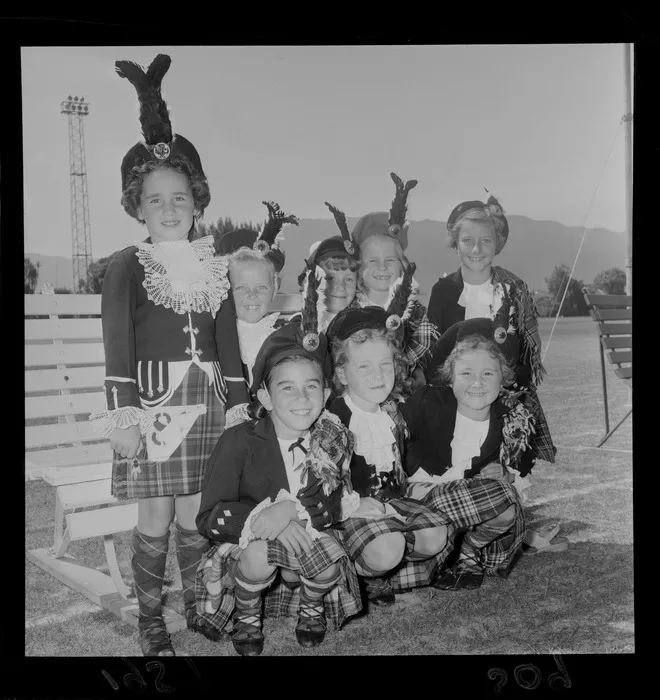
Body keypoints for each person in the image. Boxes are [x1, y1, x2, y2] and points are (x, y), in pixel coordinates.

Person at [89, 54, 248, 656]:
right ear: (138, 206)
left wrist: (236, 405)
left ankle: (197, 606)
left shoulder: (214, 263)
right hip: (154, 407)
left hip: (207, 404)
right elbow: (116, 345)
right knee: (155, 517)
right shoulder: (127, 266)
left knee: (193, 515)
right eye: (156, 200)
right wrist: (123, 416)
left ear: (197, 200)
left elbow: (227, 342)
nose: (169, 208)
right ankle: (151, 624)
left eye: (179, 197)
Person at [195, 270, 362, 656]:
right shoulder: (239, 440)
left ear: (326, 392)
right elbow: (208, 517)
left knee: (327, 562)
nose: (301, 398)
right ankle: (247, 613)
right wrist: (262, 523)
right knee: (256, 556)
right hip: (248, 546)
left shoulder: (333, 436)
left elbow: (338, 502)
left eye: (312, 386)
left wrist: (294, 510)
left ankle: (311, 605)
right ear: (266, 398)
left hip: (308, 535)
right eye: (287, 388)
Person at [325, 296, 452, 608]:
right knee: (387, 547)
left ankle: (394, 572)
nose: (377, 376)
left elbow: (403, 464)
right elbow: (319, 484)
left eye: (385, 365)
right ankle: (364, 575)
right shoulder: (333, 418)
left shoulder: (392, 412)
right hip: (350, 510)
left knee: (437, 534)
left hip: (391, 501)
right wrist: (351, 503)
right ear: (342, 374)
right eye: (364, 367)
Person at [399, 317, 533, 590]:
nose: (477, 383)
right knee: (409, 574)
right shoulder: (426, 401)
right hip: (420, 498)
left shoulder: (509, 421)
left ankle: (468, 552)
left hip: (465, 503)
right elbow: (388, 437)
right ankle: (434, 556)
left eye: (488, 374)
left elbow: (510, 473)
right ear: (450, 378)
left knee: (507, 499)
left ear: (503, 379)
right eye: (466, 373)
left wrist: (504, 473)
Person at [426, 193, 556, 467]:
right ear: (455, 244)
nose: (476, 249)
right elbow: (434, 355)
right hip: (453, 396)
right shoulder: (443, 290)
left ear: (498, 244)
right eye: (467, 241)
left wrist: (507, 386)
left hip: (503, 396)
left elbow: (524, 354)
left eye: (485, 240)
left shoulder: (514, 288)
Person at [214, 201, 299, 426]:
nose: (252, 295)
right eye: (241, 287)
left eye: (261, 287)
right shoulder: (213, 338)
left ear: (274, 287)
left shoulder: (283, 336)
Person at [351, 173, 440, 382]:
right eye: (372, 261)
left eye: (390, 260)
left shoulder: (418, 316)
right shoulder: (350, 313)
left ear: (403, 266)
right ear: (358, 267)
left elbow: (426, 369)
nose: (382, 267)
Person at [296, 200, 360, 332]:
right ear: (312, 282)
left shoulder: (362, 326)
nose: (340, 287)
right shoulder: (298, 329)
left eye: (348, 279)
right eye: (330, 278)